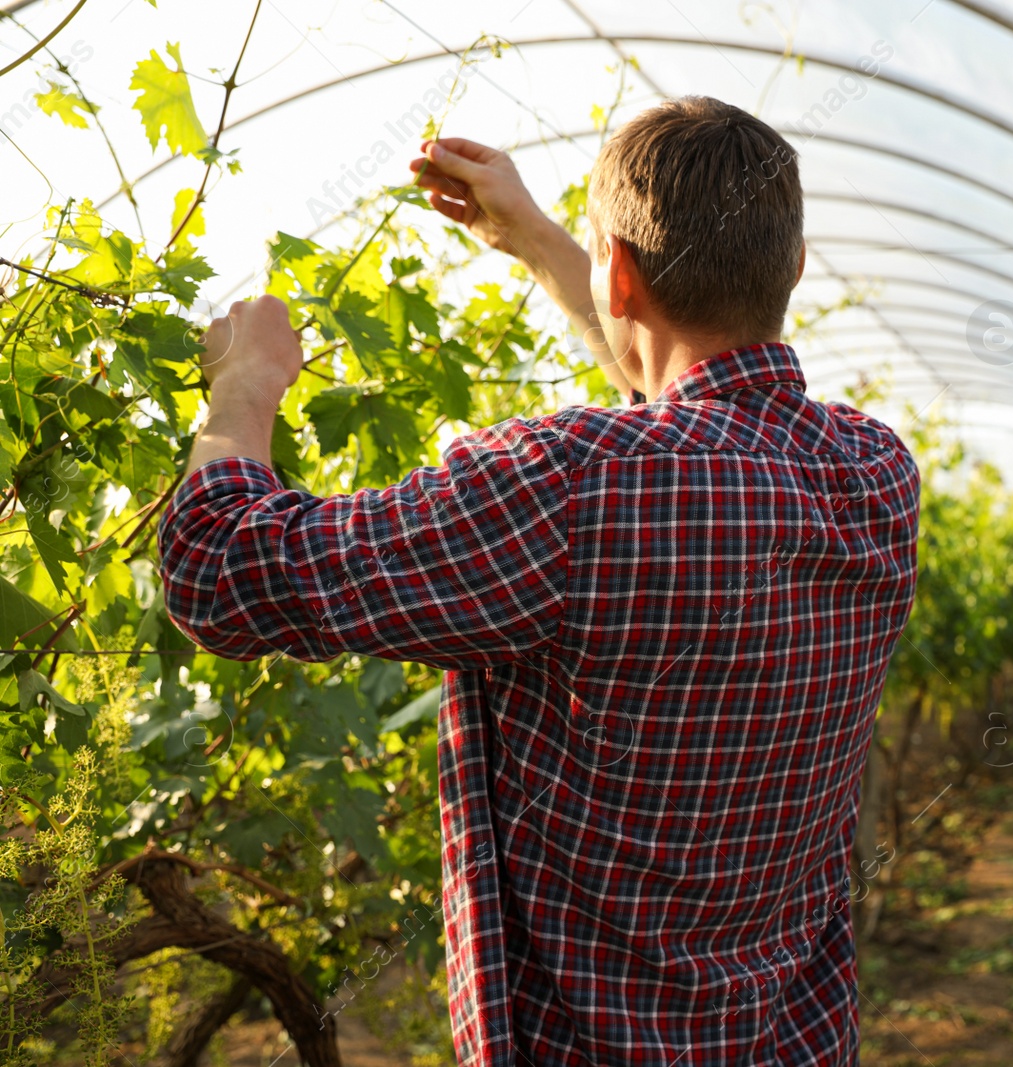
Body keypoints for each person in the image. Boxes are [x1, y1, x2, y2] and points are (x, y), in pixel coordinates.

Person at [158, 96, 921, 1067]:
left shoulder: (569, 486)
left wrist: (244, 384)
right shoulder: (871, 474)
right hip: (788, 1042)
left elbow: (219, 568)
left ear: (619, 274)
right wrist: (540, 242)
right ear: (795, 268)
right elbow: (697, 418)